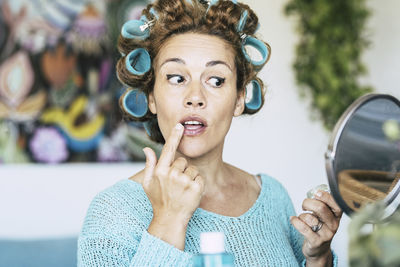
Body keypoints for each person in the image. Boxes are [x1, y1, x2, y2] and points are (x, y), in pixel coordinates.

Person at [77, 0, 342, 266]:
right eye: (177, 78)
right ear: (151, 98)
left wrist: (319, 258)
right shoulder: (112, 211)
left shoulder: (273, 196)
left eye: (215, 80)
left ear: (239, 98)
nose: (195, 97)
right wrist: (169, 218)